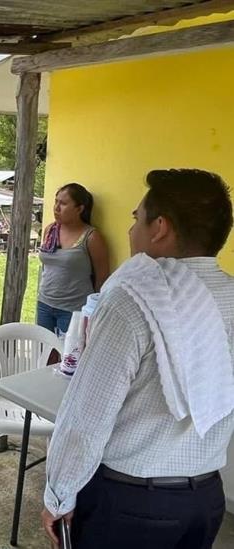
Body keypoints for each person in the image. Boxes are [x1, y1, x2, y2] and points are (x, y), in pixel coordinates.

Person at [42, 169, 234, 549]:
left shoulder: (133, 298)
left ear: (159, 228)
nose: (131, 231)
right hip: (206, 498)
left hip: (131, 504)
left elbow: (87, 415)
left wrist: (58, 495)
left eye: (136, 219)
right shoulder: (230, 296)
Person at [37, 183, 109, 336]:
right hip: (44, 303)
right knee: (44, 353)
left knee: (69, 356)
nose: (56, 207)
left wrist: (93, 310)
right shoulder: (50, 230)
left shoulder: (91, 237)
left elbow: (102, 278)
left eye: (63, 203)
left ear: (79, 209)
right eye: (56, 201)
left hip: (73, 309)